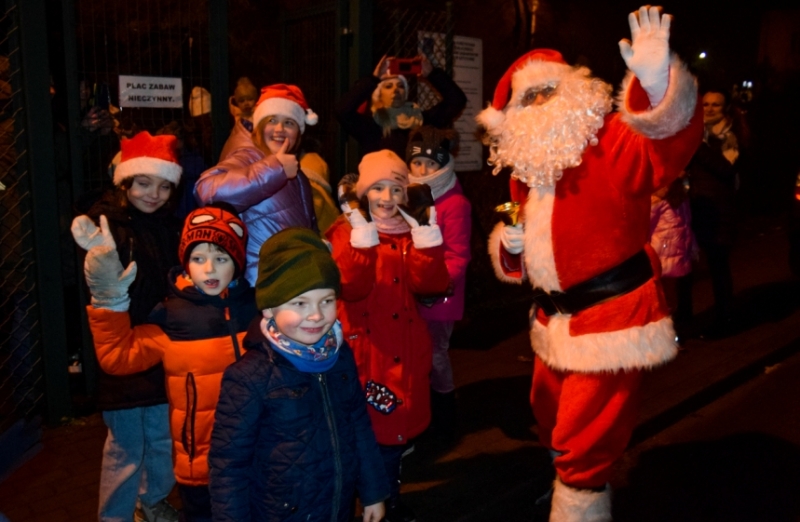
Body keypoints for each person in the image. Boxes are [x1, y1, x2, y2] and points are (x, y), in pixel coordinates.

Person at [478, 6, 702, 519]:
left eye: (546, 90)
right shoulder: (527, 171)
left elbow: (664, 144)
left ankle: (579, 504)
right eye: (526, 97)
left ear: (573, 90)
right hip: (553, 321)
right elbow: (534, 258)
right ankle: (573, 483)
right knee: (550, 418)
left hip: (612, 316)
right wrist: (510, 251)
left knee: (586, 435)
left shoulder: (611, 140)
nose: (537, 105)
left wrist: (657, 83)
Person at [73, 204, 257, 522]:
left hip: (254, 454)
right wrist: (108, 298)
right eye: (199, 258)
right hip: (199, 462)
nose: (210, 269)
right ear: (186, 262)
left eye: (222, 258)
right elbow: (117, 357)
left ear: (238, 263)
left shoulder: (255, 310)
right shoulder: (171, 316)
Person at [208, 227, 389, 522]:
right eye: (299, 303)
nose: (316, 315)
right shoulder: (248, 377)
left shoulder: (339, 356)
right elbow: (228, 464)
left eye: (326, 301)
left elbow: (358, 427)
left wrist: (373, 492)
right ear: (269, 308)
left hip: (336, 506)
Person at [326, 150, 450, 522]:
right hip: (366, 355)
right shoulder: (346, 231)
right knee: (362, 438)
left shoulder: (413, 233)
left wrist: (427, 235)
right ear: (363, 193)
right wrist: (362, 238)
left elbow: (431, 284)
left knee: (394, 441)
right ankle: (359, 506)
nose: (386, 198)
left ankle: (389, 502)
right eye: (377, 188)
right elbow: (351, 287)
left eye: (395, 189)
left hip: (405, 354)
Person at [72, 131, 182, 522]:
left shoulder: (169, 226)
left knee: (160, 437)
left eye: (164, 186)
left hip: (159, 347)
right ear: (125, 181)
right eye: (144, 182)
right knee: (125, 446)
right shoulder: (105, 226)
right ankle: (114, 515)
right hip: (123, 350)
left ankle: (151, 500)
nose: (154, 194)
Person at [194, 84, 318, 285]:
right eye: (272, 120)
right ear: (260, 127)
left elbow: (308, 226)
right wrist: (274, 169)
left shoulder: (296, 172)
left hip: (292, 282)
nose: (279, 129)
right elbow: (206, 190)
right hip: (256, 286)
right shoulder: (248, 156)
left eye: (289, 122)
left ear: (299, 132)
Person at [405, 126, 471, 443]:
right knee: (417, 354)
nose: (423, 170)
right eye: (418, 164)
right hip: (413, 292)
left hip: (440, 298)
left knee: (435, 356)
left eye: (430, 165)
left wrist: (435, 286)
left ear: (444, 165)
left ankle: (445, 414)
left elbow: (458, 255)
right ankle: (423, 413)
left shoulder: (454, 204)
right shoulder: (409, 195)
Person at [335, 54, 467, 158]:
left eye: (401, 86)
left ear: (406, 93)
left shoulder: (422, 121)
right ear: (379, 94)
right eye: (388, 86)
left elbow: (457, 100)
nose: (396, 90)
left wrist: (432, 74)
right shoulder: (372, 126)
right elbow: (343, 110)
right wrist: (373, 79)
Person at [686, 89, 741, 337]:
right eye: (705, 104)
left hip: (720, 213)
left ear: (725, 108)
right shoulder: (699, 134)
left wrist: (698, 144)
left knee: (718, 268)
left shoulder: (730, 137)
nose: (708, 109)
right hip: (696, 208)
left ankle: (725, 321)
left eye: (715, 105)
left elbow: (725, 169)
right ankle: (685, 317)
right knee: (685, 267)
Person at [649, 174, 697, 343]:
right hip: (677, 256)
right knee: (671, 299)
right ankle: (675, 335)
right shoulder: (682, 197)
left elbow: (644, 226)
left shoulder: (656, 200)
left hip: (661, 257)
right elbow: (687, 223)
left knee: (660, 301)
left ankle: (664, 339)